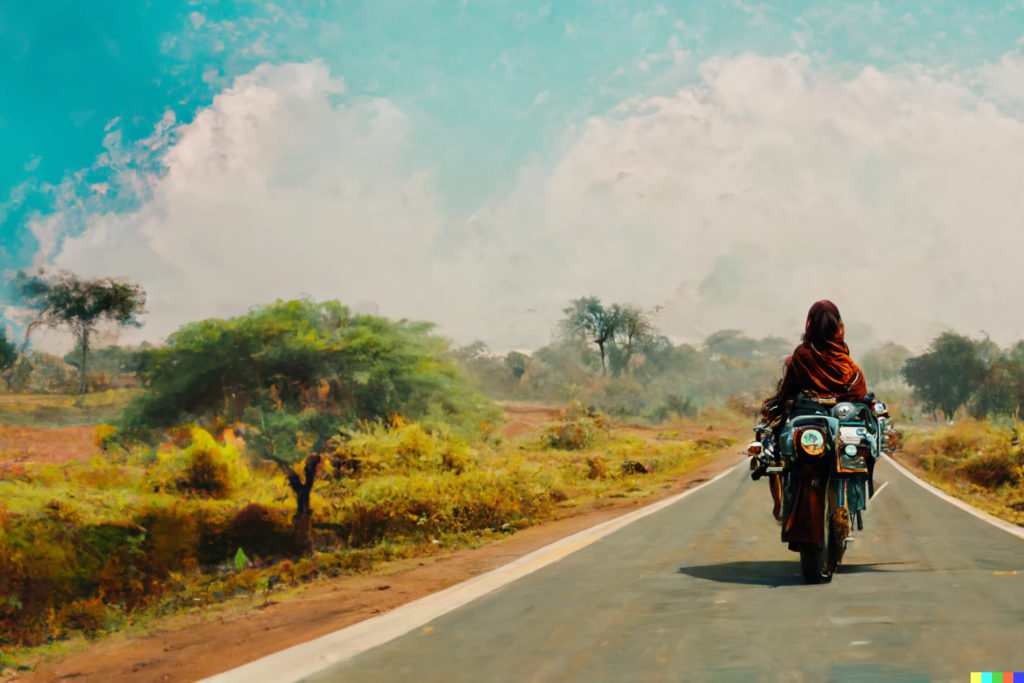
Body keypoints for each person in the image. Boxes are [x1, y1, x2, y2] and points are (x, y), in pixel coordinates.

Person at [759, 300, 867, 521]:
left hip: (804, 419)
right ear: (838, 326)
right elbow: (857, 392)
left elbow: (788, 389)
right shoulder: (844, 356)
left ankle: (779, 501)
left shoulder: (802, 353)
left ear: (811, 324)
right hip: (841, 419)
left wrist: (779, 405)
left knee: (776, 449)